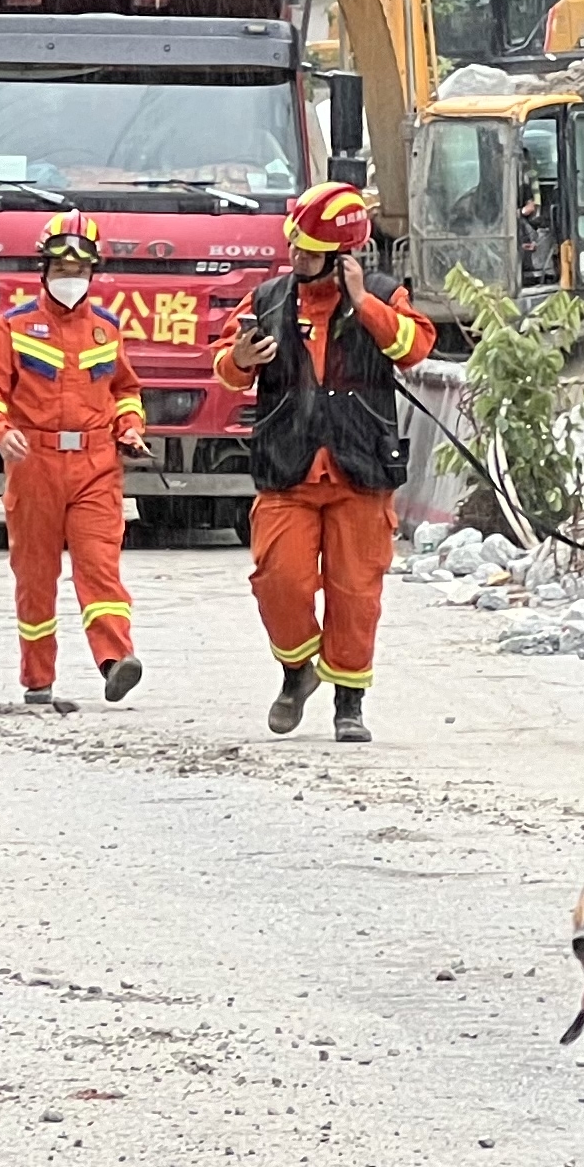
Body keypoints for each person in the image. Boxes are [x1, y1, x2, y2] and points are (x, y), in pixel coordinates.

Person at [217, 178, 433, 745]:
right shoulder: (266, 300)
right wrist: (239, 359)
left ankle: (349, 703)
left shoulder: (384, 294)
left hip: (359, 470)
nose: (297, 258)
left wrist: (364, 305)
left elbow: (414, 348)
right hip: (287, 467)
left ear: (341, 258)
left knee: (355, 594)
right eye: (295, 247)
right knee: (278, 579)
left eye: (310, 251)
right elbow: (225, 365)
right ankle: (296, 670)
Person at [0, 212, 147, 706]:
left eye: (80, 270)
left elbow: (125, 390)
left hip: (96, 465)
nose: (71, 278)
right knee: (35, 575)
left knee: (100, 566)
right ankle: (38, 678)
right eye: (61, 269)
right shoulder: (13, 327)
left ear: (93, 274)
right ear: (43, 269)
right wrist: (2, 433)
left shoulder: (106, 330)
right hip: (34, 465)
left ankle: (115, 660)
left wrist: (130, 428)